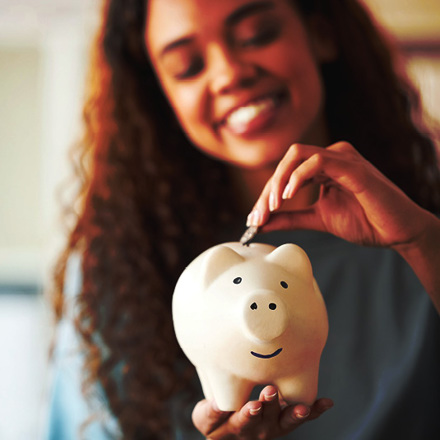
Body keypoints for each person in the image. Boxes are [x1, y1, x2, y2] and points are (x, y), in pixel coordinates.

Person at [46, 0, 440, 439]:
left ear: (321, 33)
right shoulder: (118, 270)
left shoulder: (425, 225)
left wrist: (424, 243)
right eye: (187, 66)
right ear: (162, 95)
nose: (229, 73)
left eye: (257, 35)